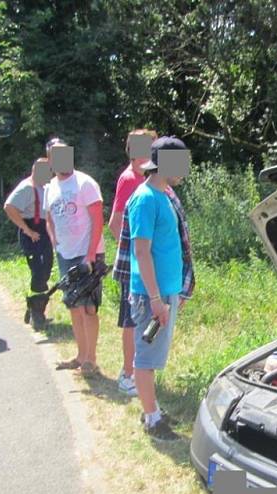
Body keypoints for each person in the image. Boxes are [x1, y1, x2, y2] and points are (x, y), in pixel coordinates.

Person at [127, 136, 193, 441]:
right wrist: (155, 299)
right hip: (150, 295)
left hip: (165, 292)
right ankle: (152, 419)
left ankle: (150, 407)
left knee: (152, 356)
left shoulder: (163, 194)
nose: (185, 170)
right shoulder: (145, 198)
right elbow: (141, 252)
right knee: (146, 358)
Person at [43, 137, 105, 376]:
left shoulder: (85, 183)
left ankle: (91, 359)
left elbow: (98, 218)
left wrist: (90, 255)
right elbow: (49, 218)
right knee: (73, 306)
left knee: (89, 308)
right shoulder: (51, 187)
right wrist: (53, 239)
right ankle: (80, 356)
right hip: (65, 254)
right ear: (49, 160)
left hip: (87, 255)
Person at [110, 129, 156, 395]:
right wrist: (134, 254)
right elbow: (115, 224)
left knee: (141, 319)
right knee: (131, 321)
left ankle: (140, 371)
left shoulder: (146, 178)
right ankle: (127, 374)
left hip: (143, 263)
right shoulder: (129, 180)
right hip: (133, 265)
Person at [3, 158, 54, 330]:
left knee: (46, 267)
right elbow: (9, 207)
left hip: (44, 231)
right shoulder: (26, 187)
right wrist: (26, 230)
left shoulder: (45, 187)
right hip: (32, 231)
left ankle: (35, 309)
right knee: (38, 271)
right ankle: (36, 313)